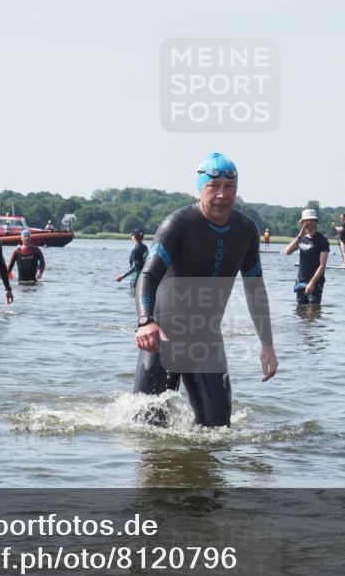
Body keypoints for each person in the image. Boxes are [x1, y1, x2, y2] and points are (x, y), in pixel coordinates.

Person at [134, 152, 278, 428]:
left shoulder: (246, 230)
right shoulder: (177, 225)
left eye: (229, 187)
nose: (222, 195)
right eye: (214, 187)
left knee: (219, 429)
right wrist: (145, 321)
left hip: (207, 339)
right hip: (162, 337)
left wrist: (267, 345)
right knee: (146, 428)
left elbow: (255, 290)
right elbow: (148, 275)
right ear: (201, 188)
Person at [285, 209, 330, 305]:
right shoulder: (301, 239)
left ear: (315, 222)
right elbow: (287, 252)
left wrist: (312, 283)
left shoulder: (322, 240)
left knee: (312, 314)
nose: (308, 223)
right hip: (301, 281)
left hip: (315, 282)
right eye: (305, 220)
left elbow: (322, 265)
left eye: (310, 220)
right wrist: (299, 237)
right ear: (302, 223)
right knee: (300, 313)